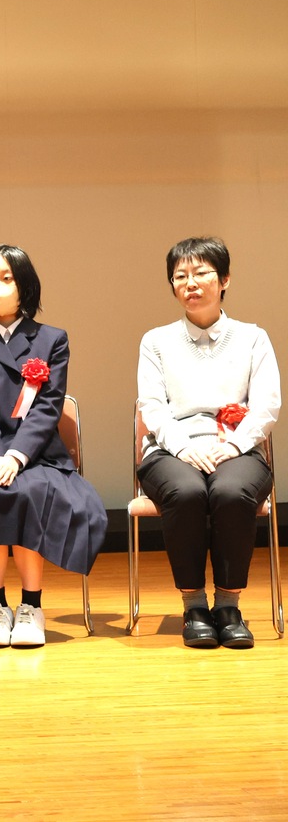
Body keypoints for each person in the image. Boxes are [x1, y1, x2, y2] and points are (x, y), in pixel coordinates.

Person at [0, 244, 107, 648]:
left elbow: (48, 406)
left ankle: (31, 607)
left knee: (32, 491)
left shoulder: (52, 339)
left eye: (6, 278)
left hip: (38, 453)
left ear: (24, 286)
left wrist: (16, 455)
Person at [136, 236, 279, 649]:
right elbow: (151, 406)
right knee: (186, 491)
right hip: (171, 449)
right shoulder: (156, 340)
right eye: (180, 276)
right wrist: (183, 447)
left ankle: (229, 607)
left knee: (231, 492)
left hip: (236, 447)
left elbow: (267, 405)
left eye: (201, 273)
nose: (190, 283)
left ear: (225, 279)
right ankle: (195, 606)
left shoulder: (253, 337)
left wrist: (234, 445)